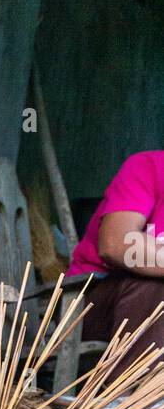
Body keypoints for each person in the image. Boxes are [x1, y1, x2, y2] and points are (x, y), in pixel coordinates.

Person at [67, 150, 164, 371]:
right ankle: (134, 395)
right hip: (88, 305)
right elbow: (115, 243)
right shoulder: (149, 166)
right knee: (155, 282)